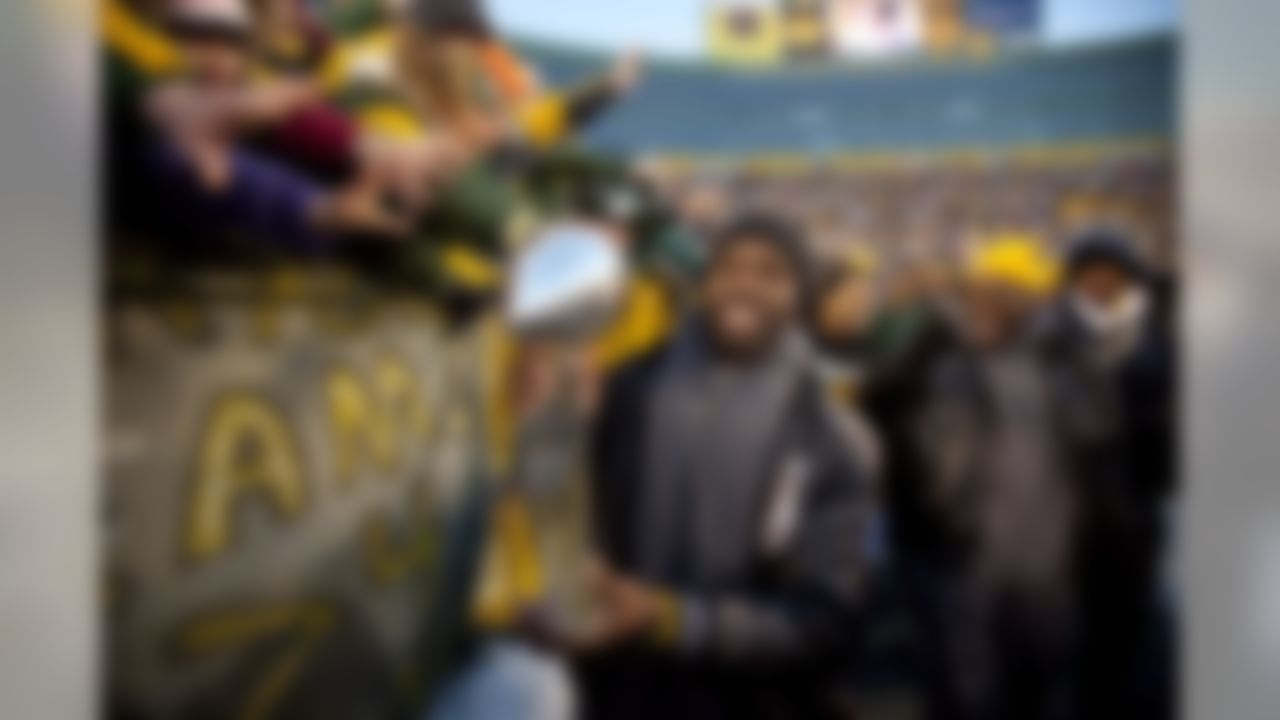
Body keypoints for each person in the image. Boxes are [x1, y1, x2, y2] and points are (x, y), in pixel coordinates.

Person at [573, 212, 872, 719]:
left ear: (799, 295)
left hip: (750, 700)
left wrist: (675, 621)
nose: (744, 285)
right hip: (621, 692)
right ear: (704, 282)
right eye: (728, 267)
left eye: (770, 273)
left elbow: (826, 622)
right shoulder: (628, 390)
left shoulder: (829, 439)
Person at [914, 237, 1075, 720]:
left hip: (1047, 579)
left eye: (998, 288)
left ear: (1030, 297)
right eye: (977, 289)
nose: (979, 299)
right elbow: (939, 476)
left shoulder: (1063, 367)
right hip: (974, 572)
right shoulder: (951, 367)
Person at [1042, 227, 1177, 720]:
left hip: (1138, 497)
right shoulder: (1051, 332)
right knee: (1078, 623)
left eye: (1111, 273)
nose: (1099, 283)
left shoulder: (1156, 329)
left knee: (1136, 617)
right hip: (1073, 502)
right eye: (1088, 274)